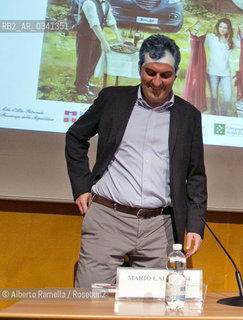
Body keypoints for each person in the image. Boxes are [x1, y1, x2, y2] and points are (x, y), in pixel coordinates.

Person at [66, 34, 207, 288]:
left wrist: (195, 226)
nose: (156, 82)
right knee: (88, 303)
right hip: (108, 217)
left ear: (176, 73)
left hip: (160, 226)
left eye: (165, 75)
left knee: (151, 309)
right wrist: (81, 187)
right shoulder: (112, 100)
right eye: (150, 72)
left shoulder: (189, 116)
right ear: (140, 68)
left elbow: (196, 175)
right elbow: (76, 137)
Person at [74, 0, 122, 96]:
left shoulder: (106, 4)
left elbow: (111, 20)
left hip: (96, 36)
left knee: (95, 60)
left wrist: (118, 36)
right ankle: (81, 88)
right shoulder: (89, 3)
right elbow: (94, 24)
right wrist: (104, 42)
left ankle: (85, 82)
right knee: (84, 62)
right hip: (85, 36)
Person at [205, 18, 236, 116]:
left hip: (225, 73)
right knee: (214, 97)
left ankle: (223, 115)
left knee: (227, 97)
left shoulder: (232, 40)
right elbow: (199, 43)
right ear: (217, 27)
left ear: (229, 29)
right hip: (212, 72)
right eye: (221, 27)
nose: (222, 30)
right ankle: (214, 116)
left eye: (225, 28)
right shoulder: (211, 37)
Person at [182, 20, 208, 112]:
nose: (196, 30)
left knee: (199, 80)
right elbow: (186, 31)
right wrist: (194, 26)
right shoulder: (190, 35)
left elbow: (206, 30)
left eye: (198, 29)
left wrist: (201, 26)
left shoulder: (204, 35)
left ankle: (198, 104)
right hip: (193, 60)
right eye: (196, 29)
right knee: (193, 80)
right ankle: (190, 102)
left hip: (201, 59)